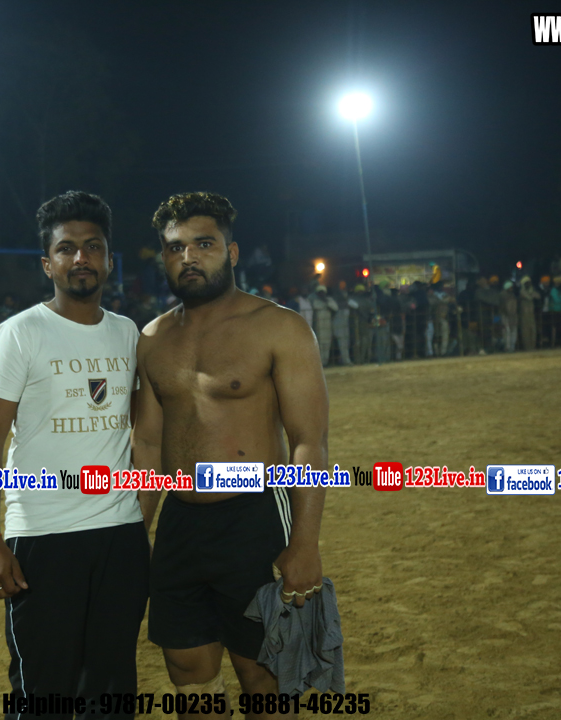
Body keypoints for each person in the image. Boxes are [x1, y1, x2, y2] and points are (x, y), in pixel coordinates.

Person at [134, 192, 329, 719]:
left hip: (254, 516)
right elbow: (148, 446)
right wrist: (136, 533)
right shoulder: (152, 338)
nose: (188, 258)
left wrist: (304, 543)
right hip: (180, 523)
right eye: (175, 248)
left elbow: (309, 442)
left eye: (204, 244)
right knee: (186, 668)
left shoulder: (279, 327)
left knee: (262, 673)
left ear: (232, 252)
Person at [0, 191, 148, 720]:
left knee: (111, 691)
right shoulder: (19, 334)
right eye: (66, 248)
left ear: (109, 259)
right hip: (44, 538)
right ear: (47, 263)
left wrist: (140, 516)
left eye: (93, 247)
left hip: (119, 536)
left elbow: (145, 431)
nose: (81, 258)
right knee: (43, 694)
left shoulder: (127, 333)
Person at [308, 285, 336, 366]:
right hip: (319, 325)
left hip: (328, 325)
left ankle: (325, 362)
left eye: (323, 292)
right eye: (320, 292)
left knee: (327, 343)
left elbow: (335, 307)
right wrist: (326, 304)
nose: (322, 294)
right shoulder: (315, 300)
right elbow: (316, 306)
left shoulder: (330, 300)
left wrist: (327, 303)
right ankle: (320, 363)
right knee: (319, 344)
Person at [518, 277, 540, 351]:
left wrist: (532, 294)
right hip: (524, 315)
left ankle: (532, 347)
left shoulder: (531, 290)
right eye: (526, 283)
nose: (528, 284)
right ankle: (527, 347)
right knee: (525, 332)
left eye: (529, 282)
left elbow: (538, 296)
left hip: (531, 315)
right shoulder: (522, 291)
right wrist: (532, 294)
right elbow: (529, 297)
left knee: (533, 331)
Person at [499, 281, 518, 352]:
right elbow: (503, 306)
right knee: (507, 331)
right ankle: (507, 347)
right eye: (510, 287)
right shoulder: (502, 295)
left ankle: (512, 347)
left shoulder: (512, 295)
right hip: (505, 315)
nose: (511, 288)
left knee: (513, 331)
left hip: (513, 316)